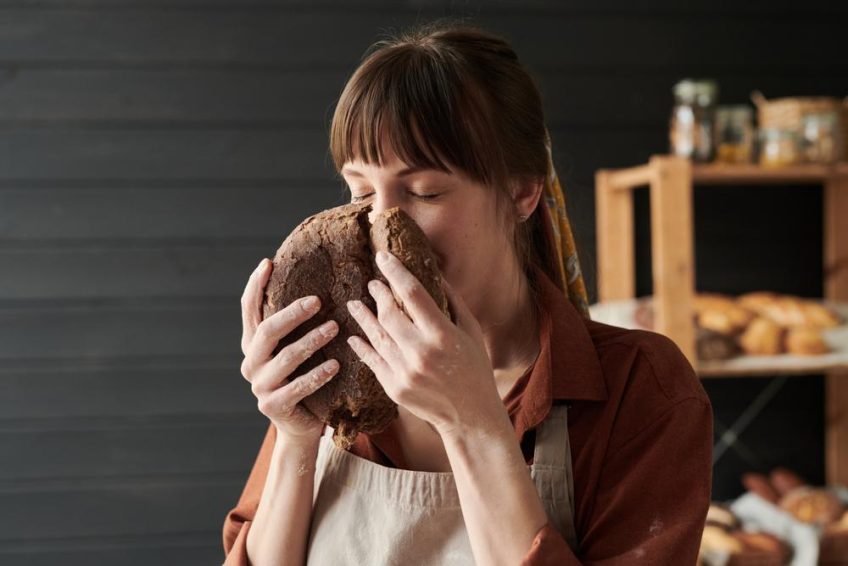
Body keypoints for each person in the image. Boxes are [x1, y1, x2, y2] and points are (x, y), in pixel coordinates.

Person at [223, 20, 713, 566]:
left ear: (522, 190)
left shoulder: (641, 391)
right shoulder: (336, 376)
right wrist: (295, 434)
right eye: (360, 190)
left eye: (424, 191)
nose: (381, 225)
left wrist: (474, 424)